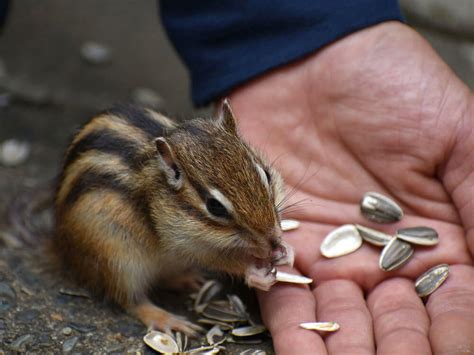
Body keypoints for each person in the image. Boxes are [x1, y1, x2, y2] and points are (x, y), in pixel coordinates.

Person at [160, 1, 473, 354]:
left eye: (265, 178)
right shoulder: (169, 209)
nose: (275, 230)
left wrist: (311, 33)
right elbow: (183, 242)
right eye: (219, 209)